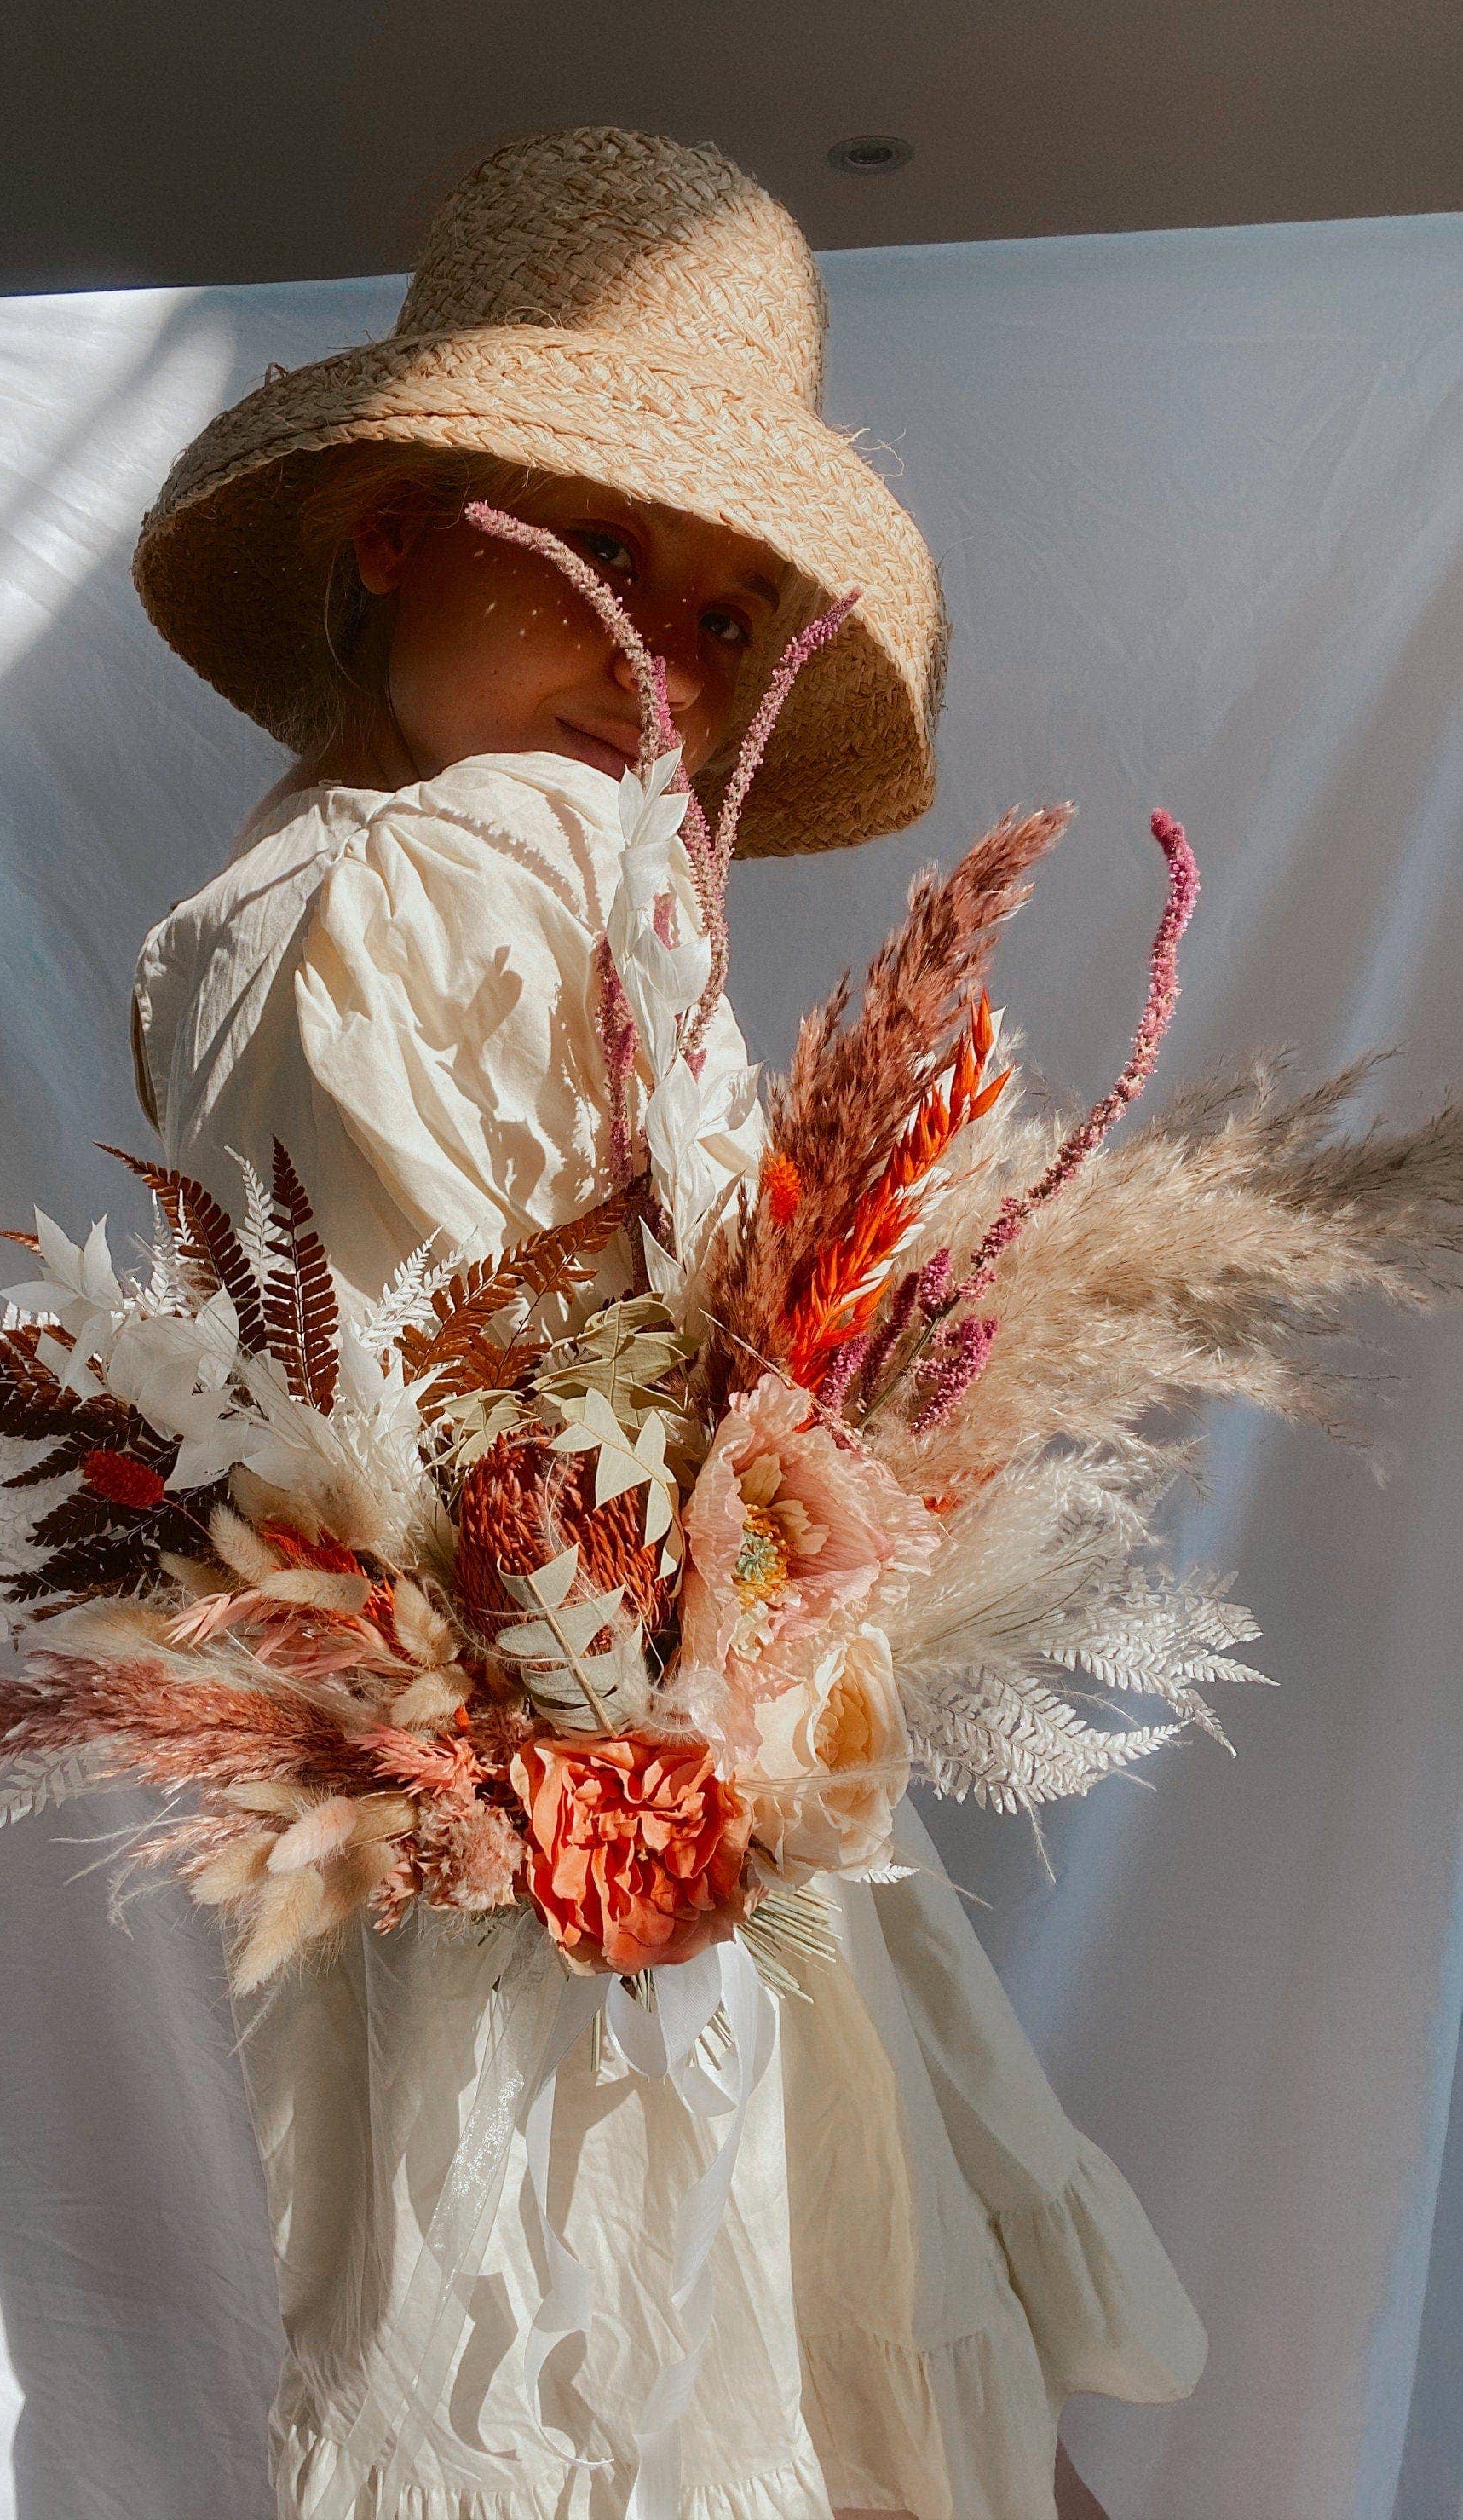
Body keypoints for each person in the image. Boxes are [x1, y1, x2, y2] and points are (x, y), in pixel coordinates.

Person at [128, 126, 1202, 2520]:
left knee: (705, 2391)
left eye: (724, 615)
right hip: (605, 1825)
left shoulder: (297, 900)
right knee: (774, 2385)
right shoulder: (471, 867)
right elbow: (525, 1413)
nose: (664, 661)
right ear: (392, 528)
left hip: (577, 1813)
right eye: (596, 553)